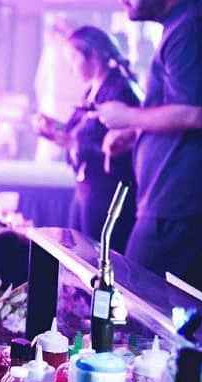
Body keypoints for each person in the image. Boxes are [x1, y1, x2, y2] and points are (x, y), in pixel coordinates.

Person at [96, 0, 202, 293]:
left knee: (136, 300)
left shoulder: (191, 26)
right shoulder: (184, 24)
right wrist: (135, 132)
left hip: (176, 207)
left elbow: (195, 113)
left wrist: (127, 116)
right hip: (170, 204)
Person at [33, 26, 139, 251]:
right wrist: (54, 128)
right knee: (75, 252)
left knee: (96, 254)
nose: (72, 69)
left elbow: (125, 146)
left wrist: (73, 143)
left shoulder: (119, 91)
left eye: (73, 59)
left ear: (93, 55)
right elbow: (82, 133)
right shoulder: (91, 90)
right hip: (86, 188)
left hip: (107, 191)